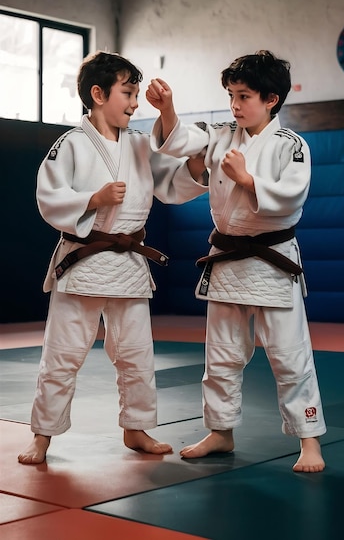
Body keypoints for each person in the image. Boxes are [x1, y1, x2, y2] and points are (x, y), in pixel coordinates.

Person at [18, 51, 208, 465]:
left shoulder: (140, 143)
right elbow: (48, 198)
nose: (135, 103)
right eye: (128, 93)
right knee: (62, 354)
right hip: (84, 259)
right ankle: (42, 435)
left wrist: (195, 169)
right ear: (98, 94)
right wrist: (93, 198)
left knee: (137, 353)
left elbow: (171, 185)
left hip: (127, 263)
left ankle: (136, 429)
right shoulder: (69, 144)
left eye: (137, 93)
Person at [146, 50, 326, 473]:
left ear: (271, 99)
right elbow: (179, 141)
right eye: (230, 95)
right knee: (221, 354)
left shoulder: (292, 145)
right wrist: (168, 109)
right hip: (227, 259)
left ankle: (309, 440)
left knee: (289, 354)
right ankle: (221, 431)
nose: (234, 105)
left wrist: (247, 179)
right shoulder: (222, 133)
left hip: (272, 260)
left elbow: (292, 198)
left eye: (244, 96)